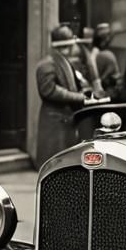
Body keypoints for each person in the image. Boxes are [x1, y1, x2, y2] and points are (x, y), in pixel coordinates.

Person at [34, 24, 98, 167]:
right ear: (66, 46)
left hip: (64, 121)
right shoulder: (47, 64)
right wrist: (80, 97)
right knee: (54, 164)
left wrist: (85, 93)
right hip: (55, 123)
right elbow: (50, 91)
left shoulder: (62, 61)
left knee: (65, 164)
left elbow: (71, 84)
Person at [91, 22, 122, 98]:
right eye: (107, 36)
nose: (109, 39)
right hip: (108, 92)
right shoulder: (107, 55)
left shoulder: (94, 53)